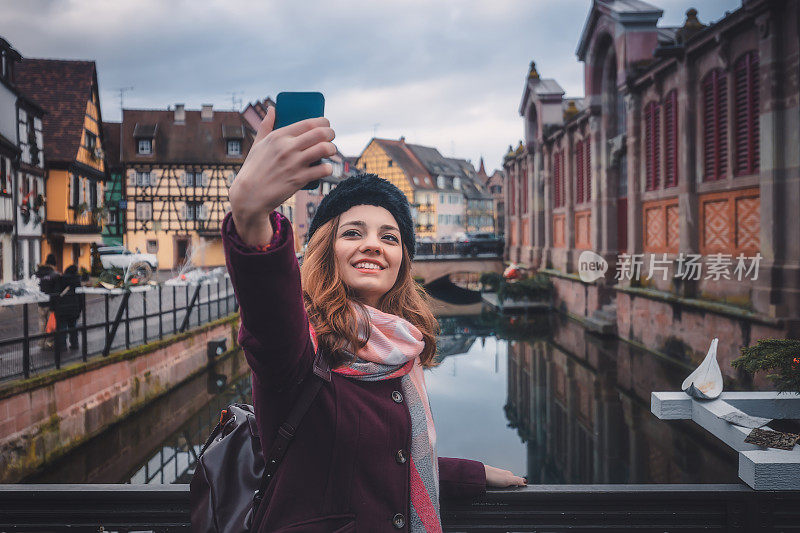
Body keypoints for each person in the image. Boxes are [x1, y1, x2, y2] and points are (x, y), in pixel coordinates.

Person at [224, 108, 526, 532]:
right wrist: (252, 218)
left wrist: (469, 474)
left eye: (389, 237)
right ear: (325, 248)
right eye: (353, 233)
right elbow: (268, 311)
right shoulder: (297, 349)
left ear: (402, 260)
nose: (373, 245)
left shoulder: (402, 350)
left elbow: (381, 459)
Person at [53, 264, 83, 351]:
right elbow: (80, 297)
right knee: (73, 327)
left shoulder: (60, 279)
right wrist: (80, 308)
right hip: (74, 308)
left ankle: (62, 346)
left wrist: (55, 307)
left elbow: (56, 293)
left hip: (62, 308)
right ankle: (74, 344)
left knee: (62, 327)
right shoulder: (77, 281)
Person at [35, 253, 60, 349]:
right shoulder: (55, 275)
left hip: (40, 303)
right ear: (53, 263)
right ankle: (49, 343)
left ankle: (41, 343)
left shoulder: (38, 273)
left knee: (42, 323)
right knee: (51, 326)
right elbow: (57, 291)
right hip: (51, 304)